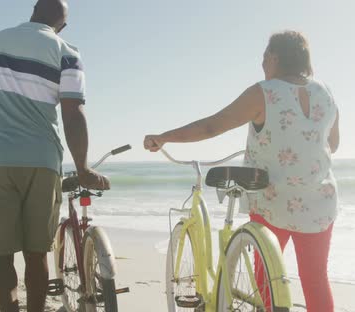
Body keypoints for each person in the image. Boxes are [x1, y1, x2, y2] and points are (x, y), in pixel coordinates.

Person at [144, 30, 339, 312]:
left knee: (267, 277)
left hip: (274, 199)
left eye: (264, 57)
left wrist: (164, 137)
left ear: (273, 57)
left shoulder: (265, 91)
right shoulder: (325, 93)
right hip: (319, 201)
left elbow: (212, 126)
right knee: (316, 279)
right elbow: (333, 143)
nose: (262, 64)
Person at [0, 1, 109, 311]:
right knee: (36, 253)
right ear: (62, 25)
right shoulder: (66, 51)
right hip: (42, 160)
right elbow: (73, 114)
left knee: (0, 253)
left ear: (34, 11)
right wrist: (83, 168)